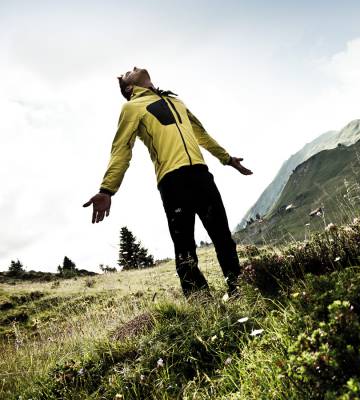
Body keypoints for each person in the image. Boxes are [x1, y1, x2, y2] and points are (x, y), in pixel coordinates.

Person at [83, 66, 252, 298]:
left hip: (201, 175)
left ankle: (238, 289)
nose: (131, 68)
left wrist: (227, 158)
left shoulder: (176, 101)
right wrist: (107, 190)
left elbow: (201, 133)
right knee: (185, 248)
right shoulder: (132, 107)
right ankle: (201, 303)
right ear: (130, 88)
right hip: (173, 181)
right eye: (126, 73)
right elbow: (121, 149)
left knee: (223, 237)